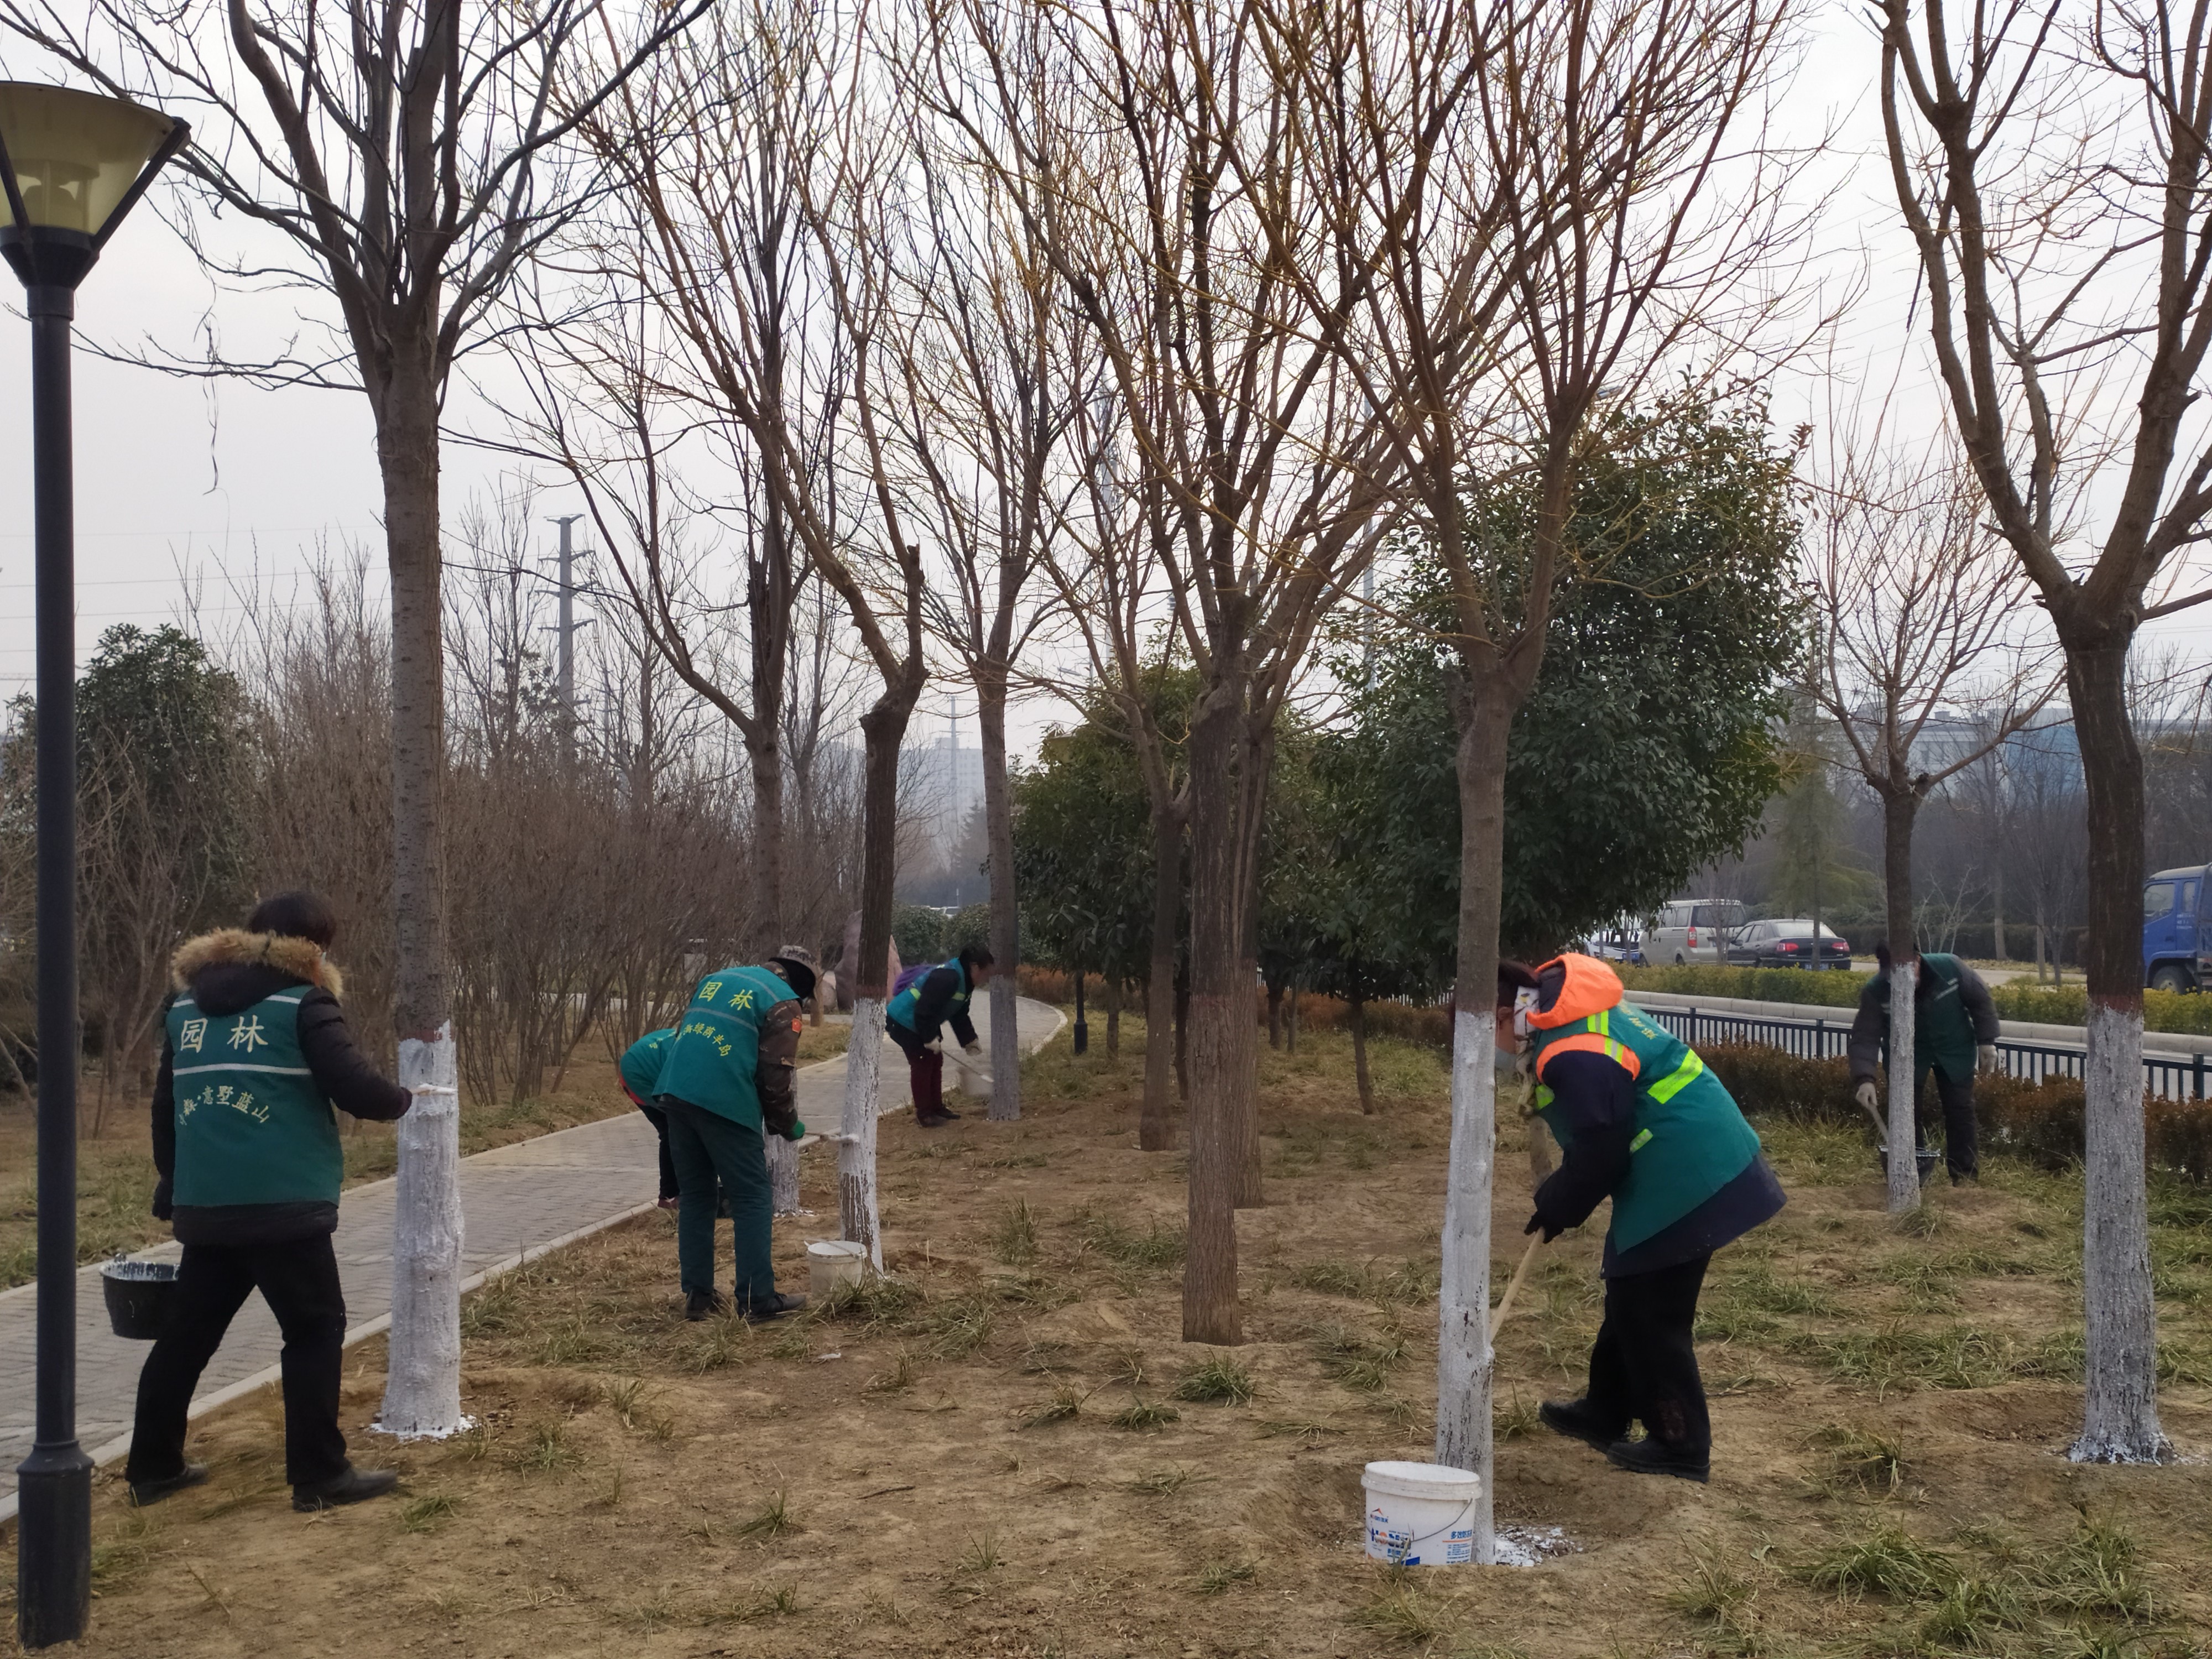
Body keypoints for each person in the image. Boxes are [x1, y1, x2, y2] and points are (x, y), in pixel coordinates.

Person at [126, 891, 414, 1512]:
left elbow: (163, 1110)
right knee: (314, 1330)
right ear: (315, 948)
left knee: (185, 1339)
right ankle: (319, 1475)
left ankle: (152, 1468)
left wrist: (175, 1185)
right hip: (285, 1207)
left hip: (208, 1208)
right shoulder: (304, 1003)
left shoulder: (183, 1010)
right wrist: (407, 1099)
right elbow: (355, 1089)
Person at [1503, 952, 1786, 1483]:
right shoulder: (1571, 1015)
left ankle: (1681, 1446)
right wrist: (1562, 1203)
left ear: (1503, 1016)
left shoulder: (1572, 1051)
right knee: (1629, 1292)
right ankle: (1606, 1411)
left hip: (1692, 1170)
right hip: (1677, 1159)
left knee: (1651, 1314)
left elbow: (1601, 1152)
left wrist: (1557, 1203)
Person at [653, 944, 818, 1321]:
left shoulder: (715, 979)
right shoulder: (783, 1002)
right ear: (802, 986)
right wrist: (786, 1125)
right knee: (753, 1197)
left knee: (697, 1195)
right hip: (724, 1101)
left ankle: (699, 1297)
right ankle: (757, 1299)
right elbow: (776, 1076)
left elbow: (686, 1037)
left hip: (675, 1092)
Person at [1849, 943, 1999, 1184]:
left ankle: (1964, 1175)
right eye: (1892, 975)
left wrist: (1987, 1041)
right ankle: (1915, 1174)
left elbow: (1980, 1001)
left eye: (1907, 971)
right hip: (1907, 1056)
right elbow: (1865, 1036)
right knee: (1907, 1114)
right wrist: (1865, 1079)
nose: (1900, 980)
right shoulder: (1875, 991)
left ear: (1917, 960)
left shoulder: (1950, 967)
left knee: (1960, 1110)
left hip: (1954, 1049)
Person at [885, 944, 995, 1128]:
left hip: (923, 1021)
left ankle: (937, 1108)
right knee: (923, 1062)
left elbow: (959, 1014)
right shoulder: (947, 977)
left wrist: (970, 1040)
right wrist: (929, 1039)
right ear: (975, 967)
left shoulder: (966, 983)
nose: (986, 979)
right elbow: (923, 1010)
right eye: (986, 974)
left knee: (936, 1060)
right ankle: (925, 1115)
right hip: (903, 1020)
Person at [619, 1026, 681, 1209]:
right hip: (640, 1073)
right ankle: (669, 1196)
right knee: (674, 1131)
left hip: (657, 1066)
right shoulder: (692, 1054)